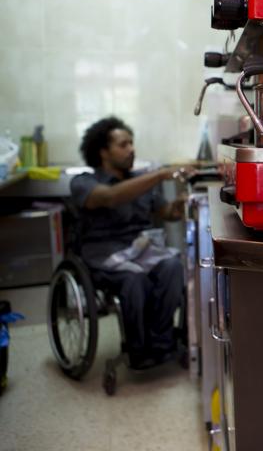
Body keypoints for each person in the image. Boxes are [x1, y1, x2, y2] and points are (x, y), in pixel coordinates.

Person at [70, 116, 188, 369]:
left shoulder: (139, 181)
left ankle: (160, 341)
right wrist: (158, 175)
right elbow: (110, 197)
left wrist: (177, 207)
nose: (131, 149)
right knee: (134, 279)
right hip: (104, 256)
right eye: (123, 144)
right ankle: (138, 349)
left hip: (140, 250)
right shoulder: (84, 182)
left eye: (132, 143)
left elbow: (166, 213)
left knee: (172, 266)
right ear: (103, 151)